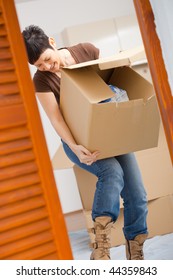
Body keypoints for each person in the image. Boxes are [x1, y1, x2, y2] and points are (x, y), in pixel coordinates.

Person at [22, 25, 148, 260]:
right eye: (39, 65)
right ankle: (101, 248)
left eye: (47, 60)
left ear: (52, 41)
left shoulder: (87, 51)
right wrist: (74, 147)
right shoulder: (41, 81)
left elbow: (110, 88)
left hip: (109, 134)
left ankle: (136, 251)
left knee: (137, 194)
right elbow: (56, 118)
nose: (47, 67)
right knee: (112, 173)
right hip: (77, 142)